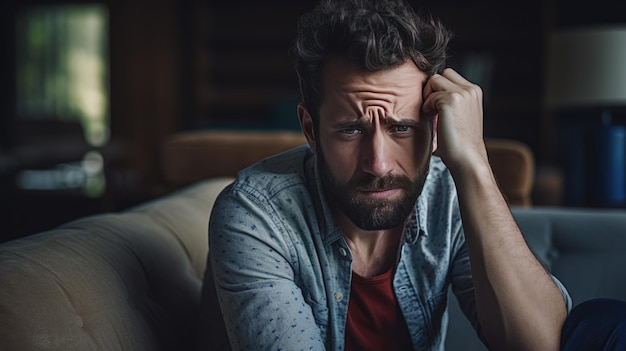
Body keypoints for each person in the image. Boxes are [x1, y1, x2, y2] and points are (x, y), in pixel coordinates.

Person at [205, 0, 575, 350]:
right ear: (310, 129)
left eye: (402, 129)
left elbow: (542, 344)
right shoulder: (254, 216)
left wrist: (475, 163)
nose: (379, 165)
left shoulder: (449, 195)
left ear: (434, 127)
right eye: (351, 130)